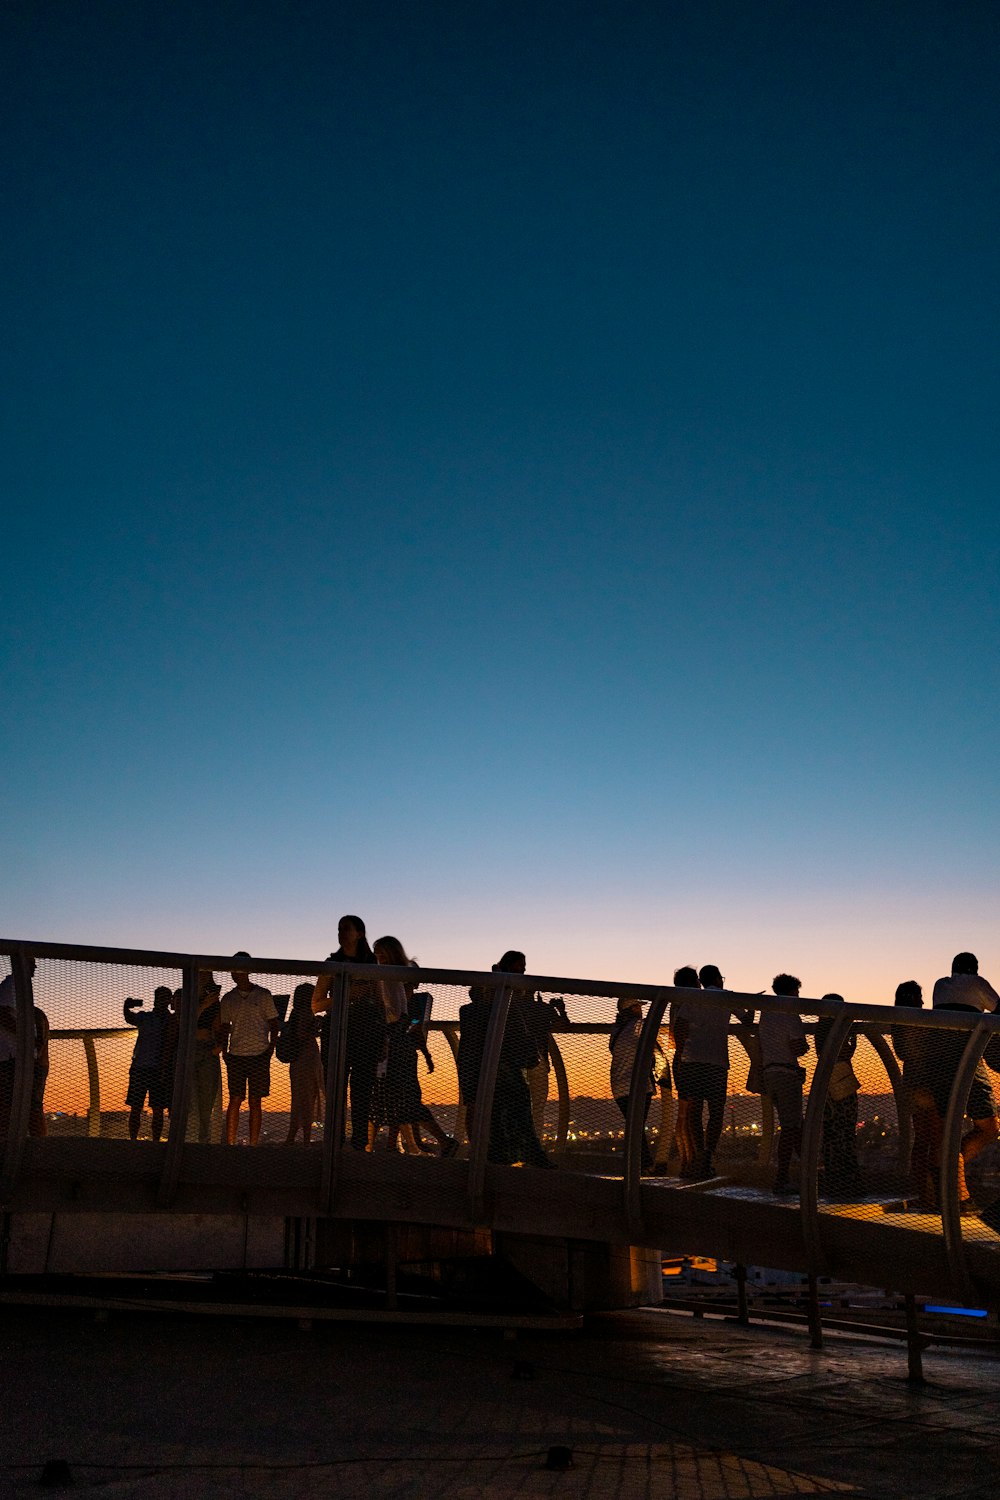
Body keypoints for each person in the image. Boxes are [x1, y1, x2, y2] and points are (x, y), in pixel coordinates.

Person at [457, 951, 550, 1167]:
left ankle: (486, 1153)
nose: (522, 972)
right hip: (499, 1067)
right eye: (519, 968)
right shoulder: (507, 1005)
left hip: (478, 1065)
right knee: (516, 1104)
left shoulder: (476, 1011)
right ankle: (518, 1152)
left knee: (487, 1109)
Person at [373, 936, 456, 1155]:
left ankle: (441, 1142)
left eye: (382, 952)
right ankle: (427, 1143)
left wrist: (385, 1037)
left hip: (395, 1044)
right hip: (401, 1044)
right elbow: (404, 1017)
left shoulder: (388, 979)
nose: (378, 957)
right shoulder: (396, 979)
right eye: (376, 953)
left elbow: (394, 1014)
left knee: (400, 1099)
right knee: (400, 1099)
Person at [929, 953, 998, 1215]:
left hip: (940, 1064)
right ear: (975, 969)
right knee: (990, 1127)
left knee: (948, 1130)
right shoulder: (978, 983)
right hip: (969, 1059)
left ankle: (949, 1178)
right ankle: (953, 1180)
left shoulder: (940, 985)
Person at [312, 916, 384, 1151]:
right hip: (336, 1033)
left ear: (360, 933)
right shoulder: (331, 964)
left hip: (367, 1032)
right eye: (339, 929)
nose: (341, 933)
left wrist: (383, 1036)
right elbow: (316, 1004)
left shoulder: (373, 966)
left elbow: (382, 1003)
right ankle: (335, 1140)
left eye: (346, 929)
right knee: (335, 1089)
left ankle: (359, 1143)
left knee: (362, 1090)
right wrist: (347, 994)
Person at [219, 953, 279, 1146]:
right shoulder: (228, 999)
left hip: (259, 1054)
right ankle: (230, 1143)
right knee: (235, 1099)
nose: (234, 973)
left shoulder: (263, 995)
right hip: (236, 1054)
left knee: (255, 1101)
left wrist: (270, 1048)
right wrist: (225, 1051)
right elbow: (225, 1027)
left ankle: (253, 1144)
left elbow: (274, 1023)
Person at [890, 980, 940, 1210]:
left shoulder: (898, 1022)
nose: (922, 1000)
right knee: (937, 1140)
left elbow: (903, 1052)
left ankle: (925, 1194)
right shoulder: (922, 1021)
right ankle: (937, 1196)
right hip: (929, 1084)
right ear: (913, 998)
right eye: (919, 996)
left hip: (910, 1083)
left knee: (921, 1142)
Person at [758, 974, 809, 1194]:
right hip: (787, 1074)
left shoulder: (766, 1013)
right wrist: (804, 1047)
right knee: (791, 1127)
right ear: (791, 992)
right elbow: (798, 1046)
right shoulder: (789, 1014)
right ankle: (783, 1178)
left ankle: (805, 1172)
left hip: (770, 1074)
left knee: (794, 1124)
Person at [815, 994, 862, 1199]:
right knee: (846, 1132)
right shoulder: (841, 1028)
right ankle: (848, 1181)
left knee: (830, 1133)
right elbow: (846, 1052)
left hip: (825, 1085)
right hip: (842, 1082)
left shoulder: (820, 1032)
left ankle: (832, 1179)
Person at [609, 997, 661, 1172]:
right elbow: (653, 1041)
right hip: (638, 1084)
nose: (641, 1009)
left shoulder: (616, 1030)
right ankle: (642, 1166)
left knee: (635, 1126)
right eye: (638, 1006)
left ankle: (639, 1164)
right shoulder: (638, 1025)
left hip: (618, 1086)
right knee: (637, 1127)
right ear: (632, 1009)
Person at [123, 987, 173, 1141]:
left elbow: (130, 1018)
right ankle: (145, 1141)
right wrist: (126, 1007)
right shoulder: (153, 1018)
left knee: (150, 1108)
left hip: (151, 1068)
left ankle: (147, 1141)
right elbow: (129, 1018)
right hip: (151, 1068)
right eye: (160, 997)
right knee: (142, 1108)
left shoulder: (167, 1020)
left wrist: (126, 1008)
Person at [518, 991, 568, 1142]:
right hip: (538, 1059)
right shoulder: (543, 1009)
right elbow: (564, 1025)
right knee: (538, 1107)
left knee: (518, 1105)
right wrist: (560, 1009)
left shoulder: (512, 1008)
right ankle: (535, 1145)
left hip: (517, 1062)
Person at [668, 966, 703, 1178]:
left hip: (679, 1058)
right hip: (688, 1058)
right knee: (691, 1114)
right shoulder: (691, 1000)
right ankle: (693, 1162)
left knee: (683, 1114)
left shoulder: (675, 1000)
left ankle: (686, 1161)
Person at [282, 983, 325, 1145]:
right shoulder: (306, 1013)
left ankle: (294, 1138)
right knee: (307, 1099)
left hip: (300, 1061)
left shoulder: (295, 1013)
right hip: (307, 1060)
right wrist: (317, 1028)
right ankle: (302, 1139)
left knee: (301, 1098)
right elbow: (302, 1034)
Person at [0, 959, 35, 1137]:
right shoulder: (12, 984)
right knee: (8, 1104)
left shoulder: (19, 987)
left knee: (12, 1104)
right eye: (32, 965)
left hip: (14, 1057)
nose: (35, 969)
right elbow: (2, 1013)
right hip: (9, 1057)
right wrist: (25, 1037)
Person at [192, 972, 223, 1144]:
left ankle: (203, 1140)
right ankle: (187, 1139)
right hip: (189, 1052)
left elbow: (218, 1026)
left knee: (206, 1100)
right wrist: (203, 1005)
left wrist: (219, 1045)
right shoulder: (187, 996)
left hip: (208, 1050)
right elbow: (186, 1023)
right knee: (189, 1100)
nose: (204, 978)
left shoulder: (214, 1001)